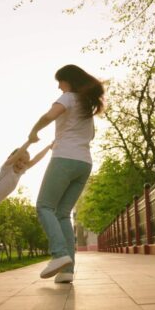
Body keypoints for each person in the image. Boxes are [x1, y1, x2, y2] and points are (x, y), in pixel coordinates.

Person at [28, 64, 104, 283]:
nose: (59, 86)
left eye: (59, 81)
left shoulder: (69, 97)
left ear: (69, 80)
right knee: (62, 213)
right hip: (84, 163)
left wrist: (34, 132)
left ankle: (59, 254)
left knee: (44, 206)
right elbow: (87, 138)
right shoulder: (87, 108)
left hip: (65, 160)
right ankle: (67, 271)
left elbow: (49, 116)